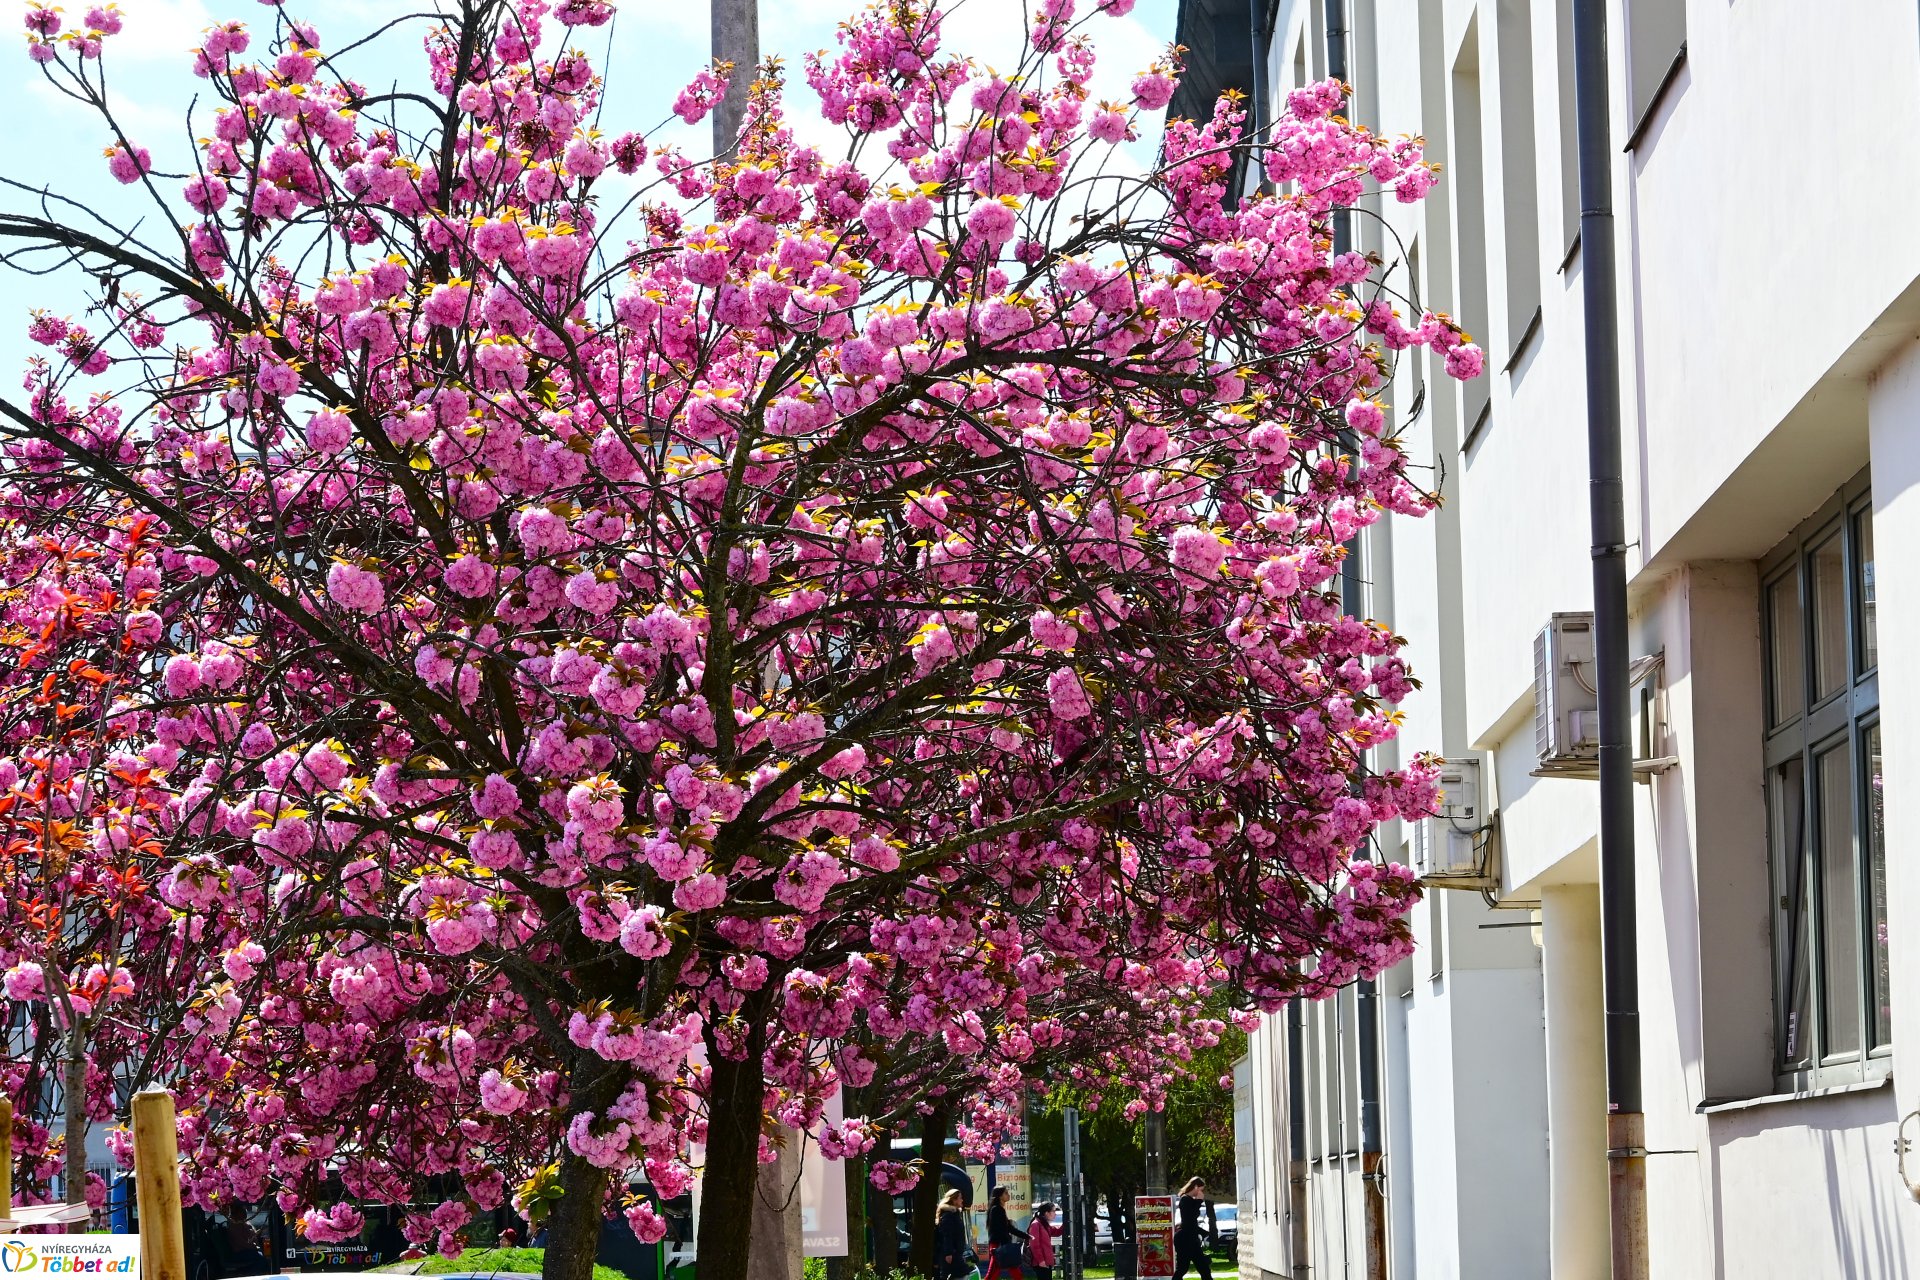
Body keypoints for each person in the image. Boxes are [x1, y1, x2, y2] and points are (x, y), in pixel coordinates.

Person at [982, 1187, 1029, 1280]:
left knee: (1012, 1269)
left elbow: (1008, 1228)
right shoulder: (997, 1209)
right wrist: (1005, 1243)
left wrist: (1026, 1236)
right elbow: (1002, 1229)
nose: (1008, 1195)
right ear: (1000, 1196)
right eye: (1006, 1193)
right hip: (999, 1245)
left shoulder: (998, 1209)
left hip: (1001, 1244)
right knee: (993, 1273)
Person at [1171, 1178, 1214, 1280]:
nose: (1201, 1192)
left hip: (1191, 1238)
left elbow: (1191, 1222)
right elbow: (1190, 1218)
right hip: (1185, 1239)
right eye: (1200, 1189)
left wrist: (1203, 1233)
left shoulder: (1190, 1200)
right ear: (1195, 1187)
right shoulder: (1185, 1200)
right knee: (1183, 1268)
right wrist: (1199, 1201)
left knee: (1203, 1268)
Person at [936, 1188, 972, 1280]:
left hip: (955, 1252)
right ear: (954, 1200)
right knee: (963, 1274)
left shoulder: (954, 1214)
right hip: (952, 1254)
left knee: (959, 1275)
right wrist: (949, 1253)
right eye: (960, 1198)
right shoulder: (948, 1215)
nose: (962, 1200)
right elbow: (947, 1235)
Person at [1024, 1201, 1059, 1280]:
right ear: (1046, 1213)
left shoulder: (1044, 1224)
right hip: (1041, 1263)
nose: (1055, 1214)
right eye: (1053, 1211)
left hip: (1046, 1262)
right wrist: (1041, 1261)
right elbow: (1034, 1245)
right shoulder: (1036, 1224)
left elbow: (1056, 1231)